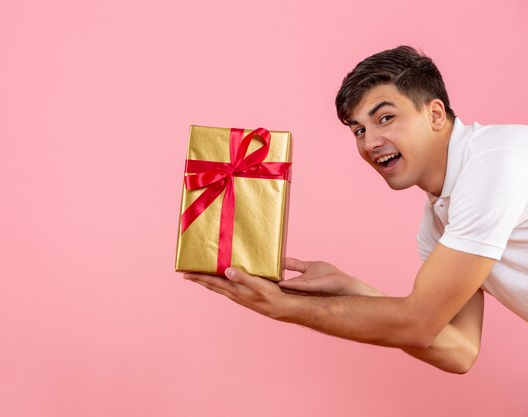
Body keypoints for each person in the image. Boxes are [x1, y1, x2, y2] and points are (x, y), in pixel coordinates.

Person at [183, 46, 528, 374]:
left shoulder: (494, 165)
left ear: (435, 114)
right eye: (359, 130)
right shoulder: (439, 220)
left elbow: (418, 324)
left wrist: (284, 306)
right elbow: (459, 349)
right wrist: (348, 288)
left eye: (386, 118)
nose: (370, 142)